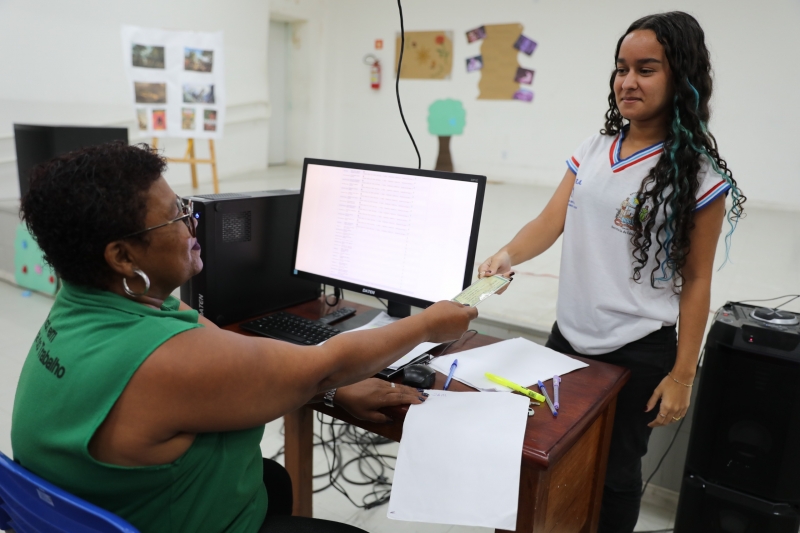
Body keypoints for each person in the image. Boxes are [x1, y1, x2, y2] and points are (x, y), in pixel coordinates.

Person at [12, 142, 478, 533]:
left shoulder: (85, 303)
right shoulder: (162, 359)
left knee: (272, 479)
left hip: (104, 511)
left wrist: (329, 388)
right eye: (176, 217)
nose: (193, 225)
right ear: (122, 257)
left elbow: (253, 361)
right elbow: (323, 365)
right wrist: (427, 325)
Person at [478, 12, 745, 533]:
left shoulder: (700, 176)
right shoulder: (594, 149)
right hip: (567, 338)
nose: (627, 81)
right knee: (541, 454)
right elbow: (550, 221)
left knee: (615, 478)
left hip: (638, 353)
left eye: (646, 69)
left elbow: (697, 281)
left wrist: (682, 375)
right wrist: (508, 254)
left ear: (681, 77)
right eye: (622, 68)